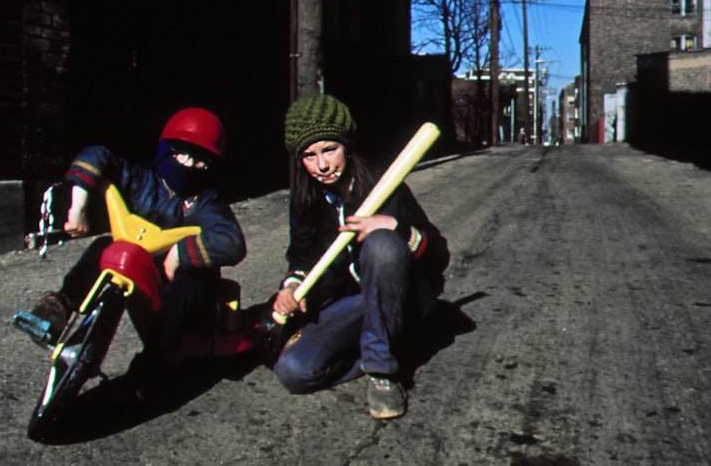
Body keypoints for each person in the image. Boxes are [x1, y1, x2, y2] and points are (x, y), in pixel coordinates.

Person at [27, 106, 246, 388]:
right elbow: (96, 155)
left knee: (186, 288)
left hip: (175, 280)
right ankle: (60, 306)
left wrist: (181, 254)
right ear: (168, 150)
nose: (190, 165)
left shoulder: (205, 201)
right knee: (105, 247)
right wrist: (78, 205)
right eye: (184, 154)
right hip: (141, 269)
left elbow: (232, 241)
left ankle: (156, 358)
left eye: (201, 161)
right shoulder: (141, 180)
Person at [269, 94, 449, 419]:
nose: (322, 165)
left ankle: (382, 373)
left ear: (346, 145)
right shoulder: (305, 199)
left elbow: (439, 254)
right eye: (309, 156)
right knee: (293, 370)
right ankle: (387, 348)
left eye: (329, 149)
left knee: (381, 243)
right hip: (352, 305)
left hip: (402, 300)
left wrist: (395, 227)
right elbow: (301, 258)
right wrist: (293, 286)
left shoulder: (383, 184)